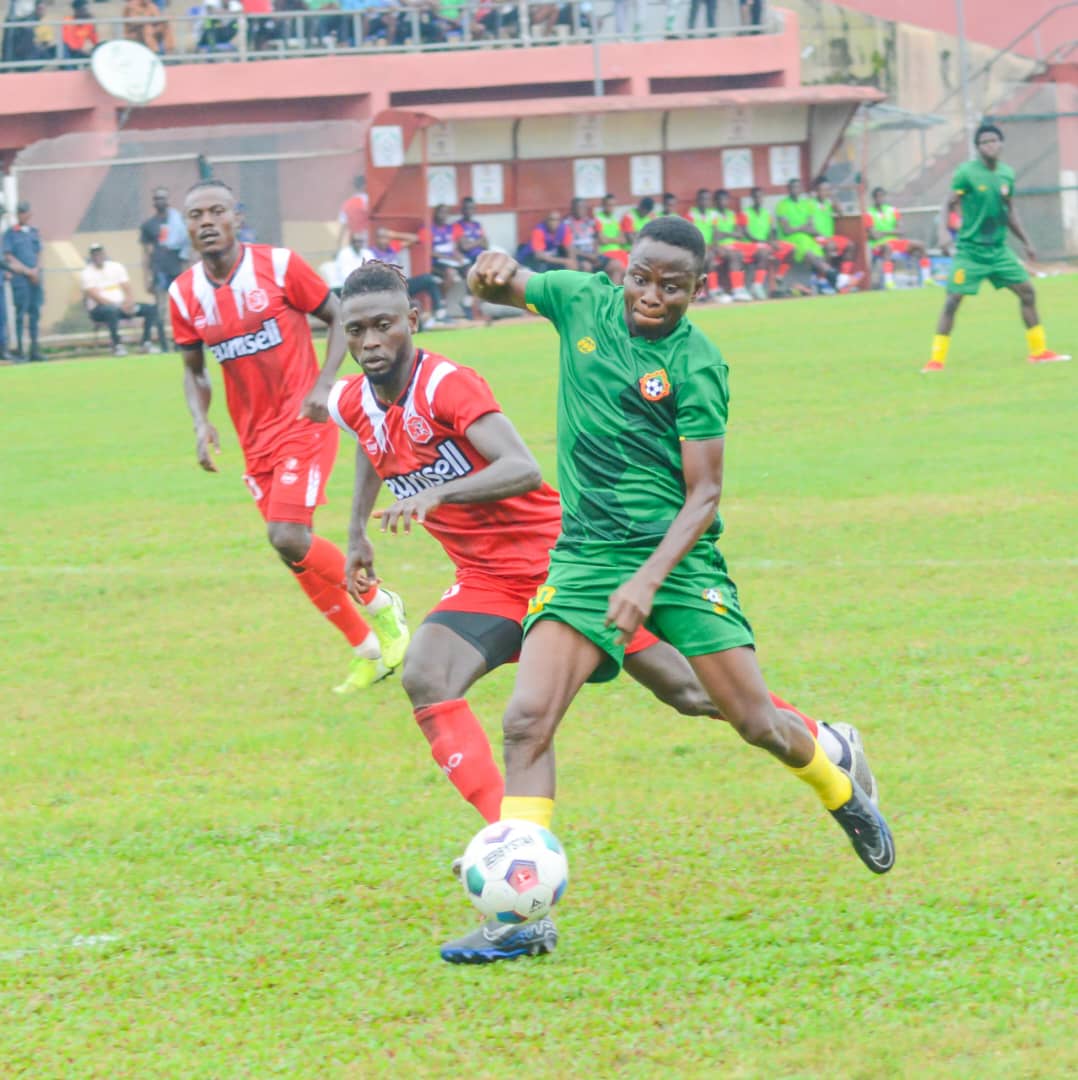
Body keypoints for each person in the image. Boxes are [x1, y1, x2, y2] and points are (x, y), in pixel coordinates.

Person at [331, 258, 877, 963]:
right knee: (427, 676)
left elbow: (522, 467)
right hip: (487, 581)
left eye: (383, 325)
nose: (370, 341)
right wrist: (356, 533)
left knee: (691, 693)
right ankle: (516, 869)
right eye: (356, 330)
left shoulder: (447, 384)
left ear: (413, 321)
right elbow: (371, 442)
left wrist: (437, 494)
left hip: (568, 567)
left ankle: (828, 744)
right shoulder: (355, 398)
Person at [168, 178, 410, 693]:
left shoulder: (278, 266)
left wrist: (325, 384)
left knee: (287, 534)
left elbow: (338, 317)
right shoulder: (183, 294)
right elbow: (194, 369)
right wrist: (200, 421)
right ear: (185, 226)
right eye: (195, 215)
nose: (207, 222)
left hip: (303, 419)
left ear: (237, 217)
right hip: (253, 437)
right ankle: (367, 651)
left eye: (216, 211)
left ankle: (382, 604)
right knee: (292, 552)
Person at [923, 123, 1070, 372]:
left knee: (1028, 293)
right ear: (977, 148)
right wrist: (943, 235)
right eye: (984, 142)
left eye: (993, 141)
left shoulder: (1006, 174)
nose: (990, 145)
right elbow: (947, 203)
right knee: (952, 300)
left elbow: (1009, 212)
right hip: (970, 251)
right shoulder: (966, 173)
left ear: (1001, 144)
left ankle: (1039, 352)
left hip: (998, 251)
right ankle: (936, 361)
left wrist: (1026, 241)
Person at [334, 227, 449, 324]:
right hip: (384, 289)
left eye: (386, 237)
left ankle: (439, 313)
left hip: (399, 284)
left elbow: (416, 238)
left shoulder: (393, 248)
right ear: (376, 239)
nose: (384, 240)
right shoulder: (371, 253)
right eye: (381, 237)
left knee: (428, 279)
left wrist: (393, 234)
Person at [80, 242, 164, 355]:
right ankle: (117, 346)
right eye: (95, 254)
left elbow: (127, 287)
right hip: (99, 310)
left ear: (104, 254)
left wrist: (129, 302)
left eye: (99, 253)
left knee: (150, 309)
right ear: (91, 257)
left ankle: (146, 343)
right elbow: (95, 296)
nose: (98, 257)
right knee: (111, 311)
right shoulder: (87, 273)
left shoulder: (115, 267)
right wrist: (118, 306)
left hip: (123, 306)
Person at [140, 187, 187, 345]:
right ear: (153, 202)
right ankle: (164, 343)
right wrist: (146, 277)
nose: (160, 201)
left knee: (180, 306)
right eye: (157, 198)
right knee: (161, 308)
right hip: (159, 270)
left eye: (163, 198)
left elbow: (187, 247)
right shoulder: (149, 225)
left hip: (177, 269)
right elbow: (146, 253)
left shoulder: (178, 222)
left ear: (168, 200)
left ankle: (181, 340)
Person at [774, 178, 837, 291]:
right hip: (789, 239)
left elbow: (810, 225)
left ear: (801, 189)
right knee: (807, 252)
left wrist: (803, 229)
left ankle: (822, 280)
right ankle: (833, 275)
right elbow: (787, 230)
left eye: (798, 187)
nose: (795, 189)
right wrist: (803, 228)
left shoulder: (806, 204)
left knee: (819, 250)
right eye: (793, 187)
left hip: (806, 237)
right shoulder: (782, 205)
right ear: (788, 189)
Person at [2, 200, 44, 362]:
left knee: (35, 314)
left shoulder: (34, 232)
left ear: (30, 214)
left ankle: (35, 350)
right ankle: (20, 351)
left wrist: (36, 270)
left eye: (25, 212)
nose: (23, 215)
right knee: (20, 315)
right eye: (20, 212)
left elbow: (39, 253)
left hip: (35, 279)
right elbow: (9, 256)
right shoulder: (10, 233)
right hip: (21, 280)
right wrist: (27, 271)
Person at [864, 186, 929, 289]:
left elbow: (901, 231)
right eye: (878, 196)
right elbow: (874, 235)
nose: (881, 199)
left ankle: (927, 279)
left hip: (895, 242)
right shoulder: (868, 213)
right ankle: (889, 282)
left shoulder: (892, 210)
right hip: (878, 246)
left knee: (920, 245)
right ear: (874, 198)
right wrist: (892, 232)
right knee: (888, 247)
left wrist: (883, 232)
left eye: (882, 196)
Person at [809, 178, 857, 292]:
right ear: (816, 190)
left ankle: (844, 278)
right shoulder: (810, 204)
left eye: (828, 190)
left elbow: (841, 213)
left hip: (829, 237)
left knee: (850, 245)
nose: (825, 192)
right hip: (816, 237)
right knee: (829, 246)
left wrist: (834, 197)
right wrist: (817, 234)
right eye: (823, 190)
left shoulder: (829, 202)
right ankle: (824, 280)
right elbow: (808, 223)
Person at [735, 186, 780, 300]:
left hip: (763, 245)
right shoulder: (745, 213)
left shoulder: (767, 213)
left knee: (785, 249)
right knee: (764, 252)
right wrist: (763, 242)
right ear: (752, 198)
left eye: (760, 197)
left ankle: (777, 283)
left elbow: (770, 231)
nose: (758, 199)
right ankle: (757, 285)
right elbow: (745, 232)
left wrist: (772, 241)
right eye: (756, 197)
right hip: (749, 246)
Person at [711, 189, 756, 302]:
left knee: (759, 252)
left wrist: (725, 234)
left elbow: (739, 234)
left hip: (735, 244)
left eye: (725, 199)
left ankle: (751, 286)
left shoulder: (731, 214)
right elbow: (716, 235)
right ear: (716, 201)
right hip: (721, 246)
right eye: (720, 200)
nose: (723, 202)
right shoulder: (712, 214)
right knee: (736, 255)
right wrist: (731, 234)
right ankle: (737, 289)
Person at [593, 193, 629, 274]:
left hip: (619, 251)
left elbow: (623, 240)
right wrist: (617, 239)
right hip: (606, 252)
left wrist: (608, 239)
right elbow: (602, 240)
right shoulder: (598, 219)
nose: (611, 207)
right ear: (603, 205)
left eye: (613, 205)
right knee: (621, 269)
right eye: (609, 205)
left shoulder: (615, 219)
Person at [336, 175, 369, 253]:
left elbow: (342, 228)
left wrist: (338, 247)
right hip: (367, 242)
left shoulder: (347, 203)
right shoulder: (369, 201)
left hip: (353, 242)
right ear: (364, 186)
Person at [453, 197, 488, 267]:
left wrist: (471, 243)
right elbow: (464, 247)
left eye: (471, 208)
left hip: (482, 255)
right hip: (469, 258)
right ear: (462, 210)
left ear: (474, 210)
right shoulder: (457, 225)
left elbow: (486, 245)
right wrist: (479, 241)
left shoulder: (477, 225)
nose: (469, 211)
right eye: (466, 208)